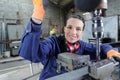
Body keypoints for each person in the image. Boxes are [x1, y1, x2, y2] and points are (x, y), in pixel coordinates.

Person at [19, 0, 120, 80]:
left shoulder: (82, 46)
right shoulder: (53, 43)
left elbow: (102, 48)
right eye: (70, 27)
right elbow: (32, 54)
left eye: (78, 29)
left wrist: (110, 51)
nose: (73, 33)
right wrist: (37, 16)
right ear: (64, 29)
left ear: (82, 32)